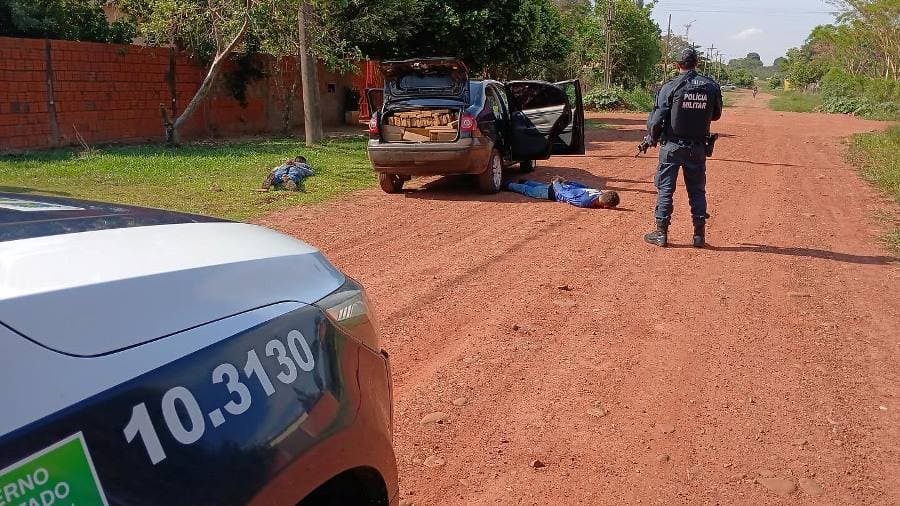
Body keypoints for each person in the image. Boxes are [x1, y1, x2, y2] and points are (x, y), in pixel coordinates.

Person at [638, 47, 723, 248]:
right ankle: (699, 236)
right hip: (698, 147)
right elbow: (716, 115)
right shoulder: (711, 86)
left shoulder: (670, 87)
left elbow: (657, 120)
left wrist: (651, 138)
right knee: (697, 190)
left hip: (672, 147)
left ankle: (661, 233)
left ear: (678, 65)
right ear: (696, 64)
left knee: (666, 188)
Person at [503, 177, 620, 209]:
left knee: (538, 185)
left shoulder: (597, 191)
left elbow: (582, 186)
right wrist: (556, 183)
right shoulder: (584, 202)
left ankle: (524, 181)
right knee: (527, 190)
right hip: (553, 192)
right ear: (605, 206)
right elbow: (564, 193)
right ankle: (505, 184)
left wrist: (565, 181)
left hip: (562, 186)